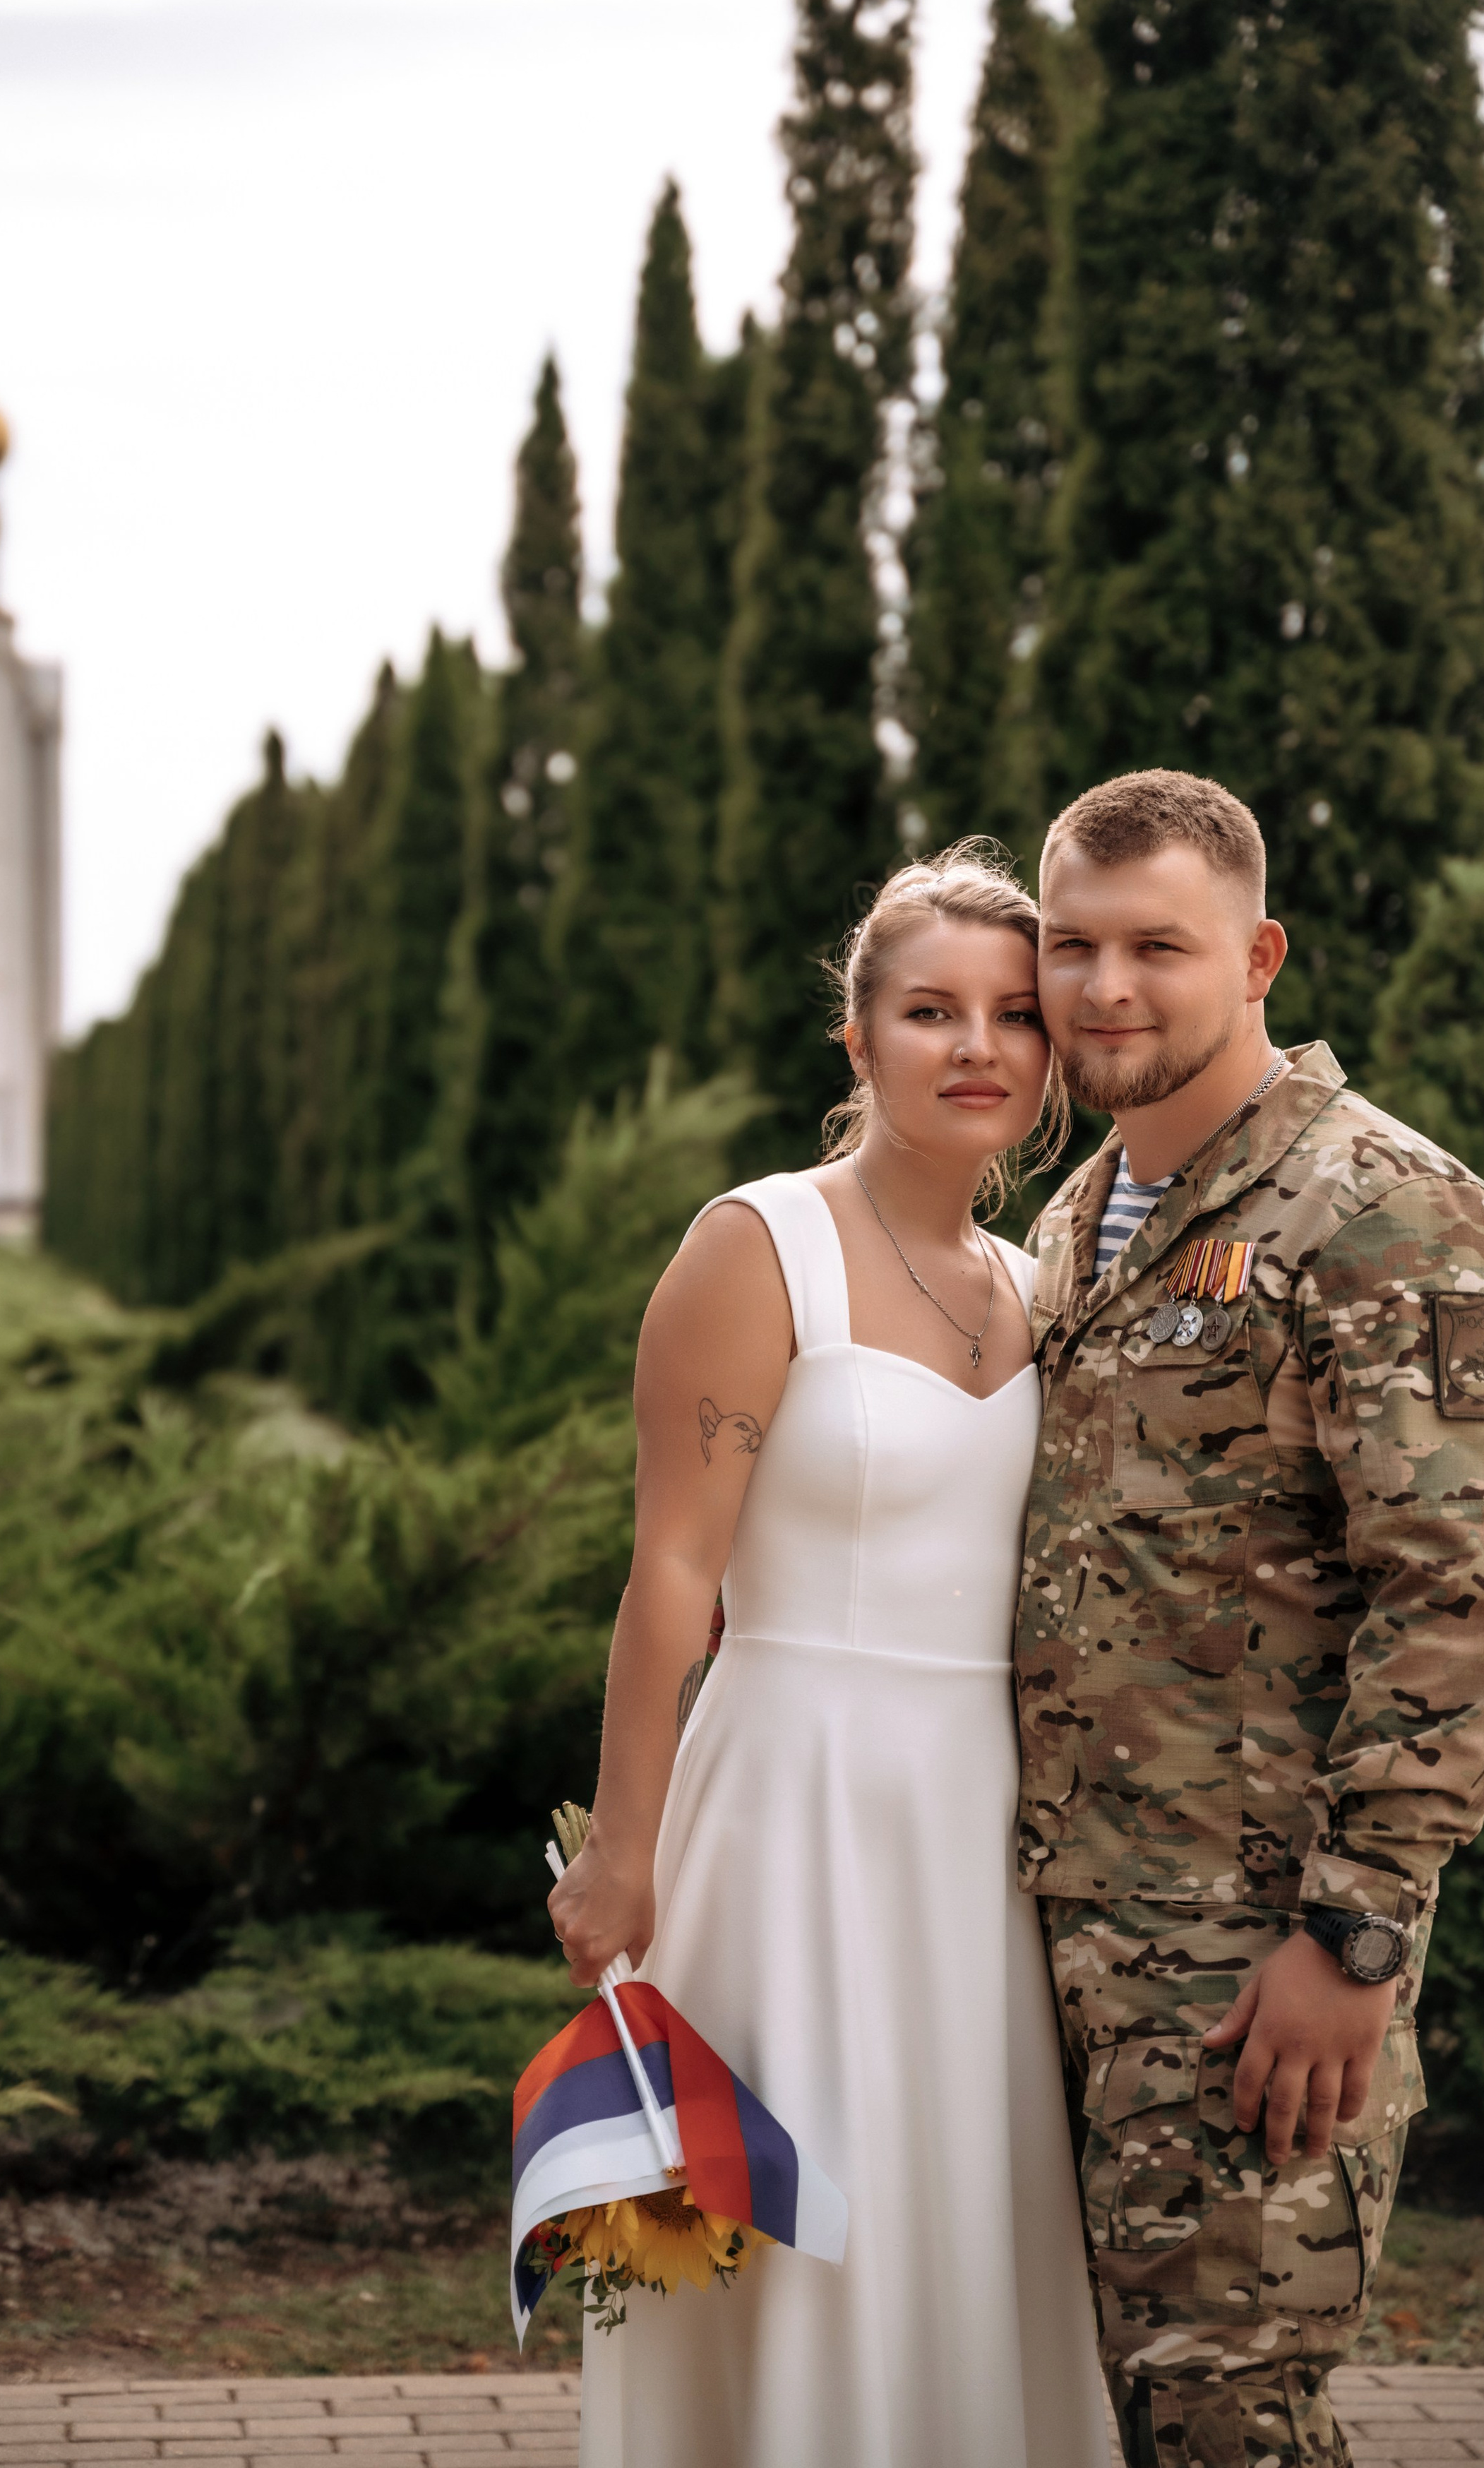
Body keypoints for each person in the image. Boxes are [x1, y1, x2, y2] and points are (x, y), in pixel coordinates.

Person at [550, 848, 1113, 2468]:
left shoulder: (1037, 1286)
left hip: (985, 1829)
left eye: (1014, 1014)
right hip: (792, 1804)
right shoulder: (755, 1246)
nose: (976, 1047)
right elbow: (671, 1570)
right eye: (929, 1010)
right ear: (854, 1039)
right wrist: (622, 1847)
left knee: (966, 2211)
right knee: (804, 2221)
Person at [1021, 769, 1484, 2468]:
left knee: (1221, 2413)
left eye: (1153, 948)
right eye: (1069, 945)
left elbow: (1464, 1599)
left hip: (1247, 1958)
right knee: (1099, 2410)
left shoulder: (1384, 1212)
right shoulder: (1067, 1228)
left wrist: (1353, 1938)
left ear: (1256, 957)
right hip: (1044, 1928)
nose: (1101, 989)